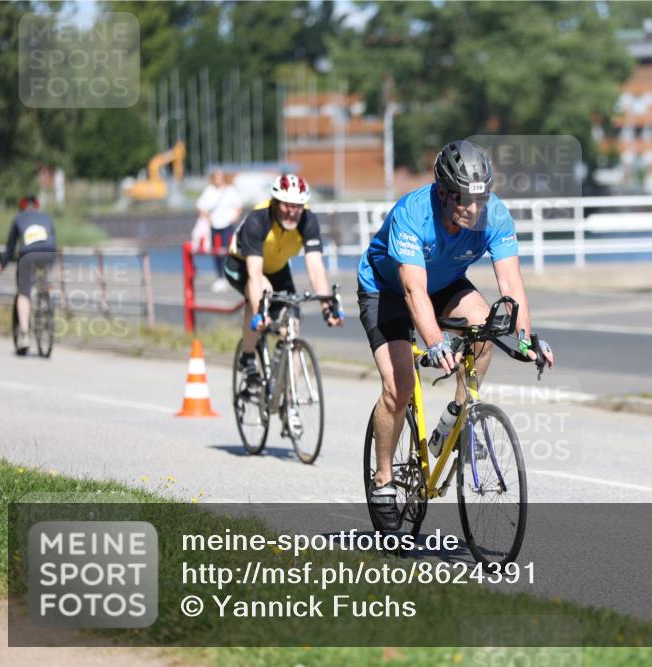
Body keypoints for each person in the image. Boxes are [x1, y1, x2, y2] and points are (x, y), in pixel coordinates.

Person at [357, 140, 554, 530]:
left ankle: (461, 418)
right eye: (467, 200)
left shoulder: (494, 214)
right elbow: (413, 290)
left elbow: (511, 285)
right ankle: (383, 479)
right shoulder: (413, 213)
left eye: (482, 199)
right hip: (388, 289)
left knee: (486, 325)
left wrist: (527, 340)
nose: (476, 209)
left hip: (444, 283)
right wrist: (434, 343)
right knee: (398, 386)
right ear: (444, 194)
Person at [224, 174, 343, 390]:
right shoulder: (258, 220)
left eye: (297, 205)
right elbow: (254, 274)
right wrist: (260, 310)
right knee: (262, 293)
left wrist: (327, 307)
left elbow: (316, 268)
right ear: (275, 202)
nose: (292, 211)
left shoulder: (307, 220)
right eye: (287, 205)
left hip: (277, 268)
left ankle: (290, 400)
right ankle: (248, 358)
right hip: (241, 265)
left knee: (292, 324)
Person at [0, 195, 57, 355]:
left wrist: (1, 264)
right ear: (37, 206)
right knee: (45, 278)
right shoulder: (46, 217)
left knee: (24, 293)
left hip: (28, 255)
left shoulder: (18, 218)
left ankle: (24, 333)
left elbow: (10, 248)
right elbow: (53, 240)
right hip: (49, 253)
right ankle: (46, 297)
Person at [194, 169, 243, 292]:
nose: (218, 179)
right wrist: (207, 218)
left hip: (227, 225)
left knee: (229, 250)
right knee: (216, 251)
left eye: (220, 176)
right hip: (214, 225)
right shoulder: (209, 191)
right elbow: (200, 206)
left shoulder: (230, 190)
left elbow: (238, 205)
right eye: (216, 177)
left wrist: (234, 218)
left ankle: (229, 275)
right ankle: (219, 277)